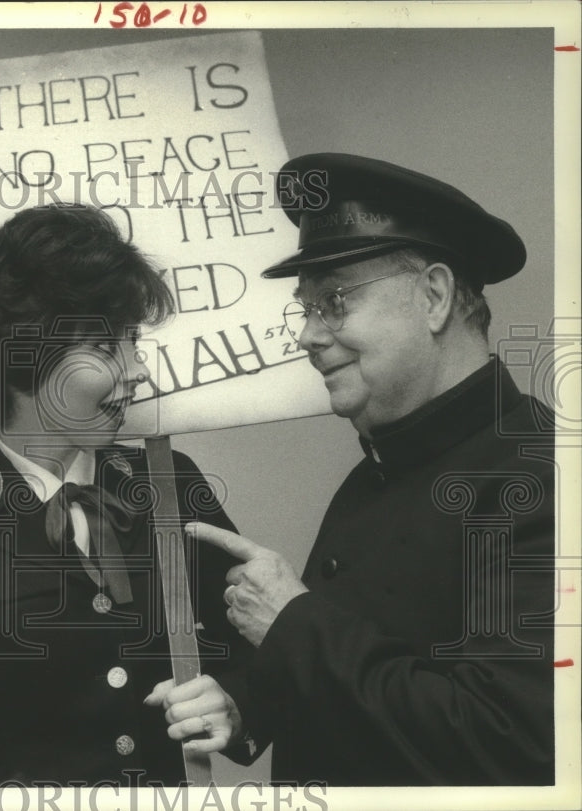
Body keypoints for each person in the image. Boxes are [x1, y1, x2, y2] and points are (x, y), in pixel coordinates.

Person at [191, 153, 555, 785]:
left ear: (435, 297)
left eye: (333, 302)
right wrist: (244, 708)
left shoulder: (543, 475)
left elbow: (509, 745)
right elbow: (361, 680)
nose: (307, 335)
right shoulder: (379, 467)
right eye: (305, 308)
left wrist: (294, 622)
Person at [0, 204, 252, 786]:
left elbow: (257, 649)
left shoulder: (169, 483)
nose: (137, 371)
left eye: (131, 340)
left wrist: (232, 703)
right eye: (106, 348)